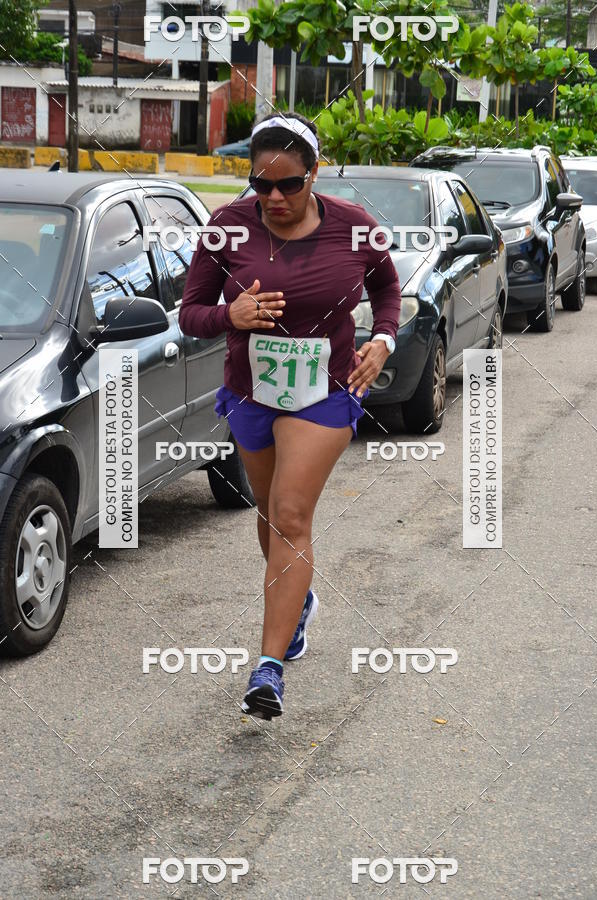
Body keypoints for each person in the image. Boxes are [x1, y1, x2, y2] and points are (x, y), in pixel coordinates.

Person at [179, 112, 401, 719]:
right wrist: (232, 318)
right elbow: (190, 313)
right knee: (270, 510)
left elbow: (388, 291)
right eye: (260, 185)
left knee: (291, 513)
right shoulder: (226, 228)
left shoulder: (356, 229)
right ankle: (297, 603)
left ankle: (267, 669)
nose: (273, 198)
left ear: (314, 173)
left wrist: (383, 340)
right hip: (250, 392)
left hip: (325, 390)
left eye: (289, 185)